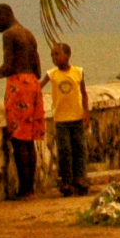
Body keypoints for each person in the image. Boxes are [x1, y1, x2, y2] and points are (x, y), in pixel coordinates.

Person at [0, 4, 44, 198]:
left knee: (18, 139)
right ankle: (30, 187)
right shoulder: (28, 33)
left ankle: (24, 189)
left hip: (19, 86)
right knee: (29, 139)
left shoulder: (9, 35)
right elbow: (38, 68)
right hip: (33, 84)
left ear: (4, 17)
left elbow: (8, 67)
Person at [45, 42, 92, 197]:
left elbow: (83, 93)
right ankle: (66, 181)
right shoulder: (52, 74)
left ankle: (80, 179)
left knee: (79, 149)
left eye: (57, 54)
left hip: (77, 117)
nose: (54, 58)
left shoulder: (78, 72)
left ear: (67, 55)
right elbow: (39, 86)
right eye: (52, 55)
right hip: (61, 119)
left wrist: (86, 112)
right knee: (64, 151)